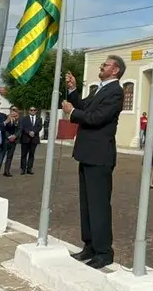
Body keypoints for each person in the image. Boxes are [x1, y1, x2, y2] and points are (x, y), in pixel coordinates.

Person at [62, 56, 124, 270]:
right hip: (87, 153)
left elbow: (97, 117)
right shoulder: (98, 89)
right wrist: (73, 90)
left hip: (100, 155)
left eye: (105, 65)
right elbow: (84, 107)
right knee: (87, 204)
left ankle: (104, 251)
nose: (101, 66)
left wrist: (72, 113)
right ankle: (89, 245)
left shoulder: (116, 92)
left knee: (99, 206)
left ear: (115, 70)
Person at [18, 107, 42, 175]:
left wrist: (34, 132)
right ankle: (23, 169)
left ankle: (29, 169)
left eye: (34, 110)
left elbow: (39, 127)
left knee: (32, 155)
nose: (33, 111)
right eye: (31, 110)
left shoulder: (39, 119)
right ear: (29, 111)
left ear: (36, 111)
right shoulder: (24, 118)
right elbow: (23, 127)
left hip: (34, 139)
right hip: (25, 138)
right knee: (24, 155)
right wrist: (28, 132)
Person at [2, 107, 20, 177]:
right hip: (6, 140)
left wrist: (15, 136)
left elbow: (19, 129)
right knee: (1, 156)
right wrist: (9, 136)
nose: (14, 112)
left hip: (14, 141)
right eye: (12, 111)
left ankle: (7, 171)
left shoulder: (18, 120)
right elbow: (4, 128)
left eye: (15, 111)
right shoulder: (6, 118)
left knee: (10, 157)